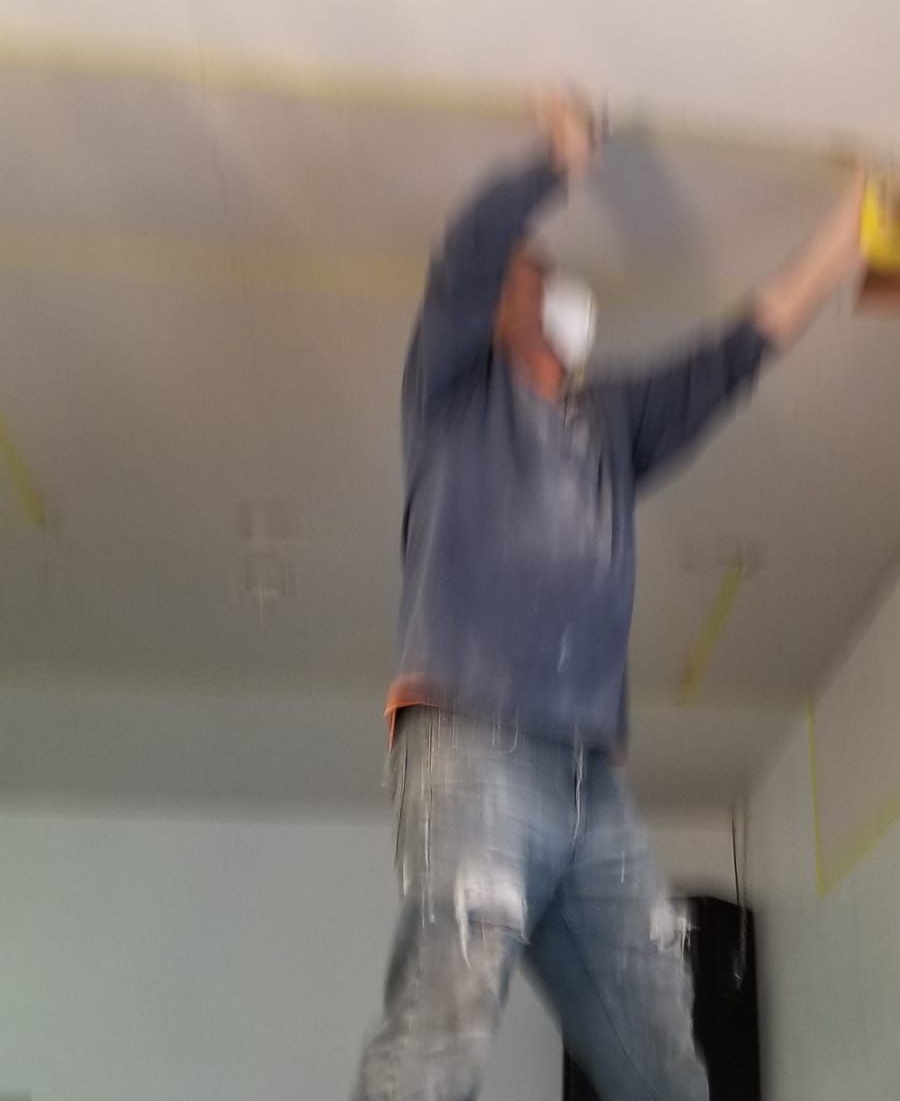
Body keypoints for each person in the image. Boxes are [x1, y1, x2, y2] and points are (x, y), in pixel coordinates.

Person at [352, 89, 866, 1100]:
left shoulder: (612, 424)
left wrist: (846, 236)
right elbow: (465, 253)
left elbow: (736, 356)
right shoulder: (452, 401)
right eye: (521, 275)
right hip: (472, 743)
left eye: (539, 276)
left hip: (590, 779)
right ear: (496, 314)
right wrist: (561, 157)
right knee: (452, 1003)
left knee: (661, 1042)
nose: (532, 284)